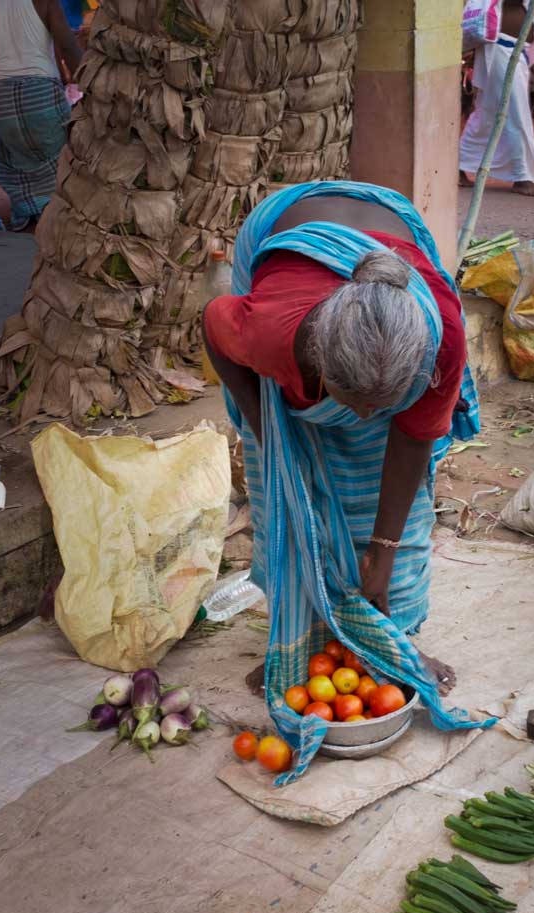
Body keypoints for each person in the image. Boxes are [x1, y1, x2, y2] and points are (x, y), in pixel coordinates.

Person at [203, 182, 480, 699]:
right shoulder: (269, 333)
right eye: (353, 402)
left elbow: (412, 441)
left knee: (376, 487)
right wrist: (270, 436)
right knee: (284, 493)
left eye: (383, 406)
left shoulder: (439, 336)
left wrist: (383, 552)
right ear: (317, 364)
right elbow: (213, 324)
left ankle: (389, 640)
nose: (367, 417)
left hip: (389, 261)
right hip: (282, 234)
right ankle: (299, 640)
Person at [0, 0, 81, 231]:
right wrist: (89, 93)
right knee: (58, 160)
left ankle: (27, 220)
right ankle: (56, 217)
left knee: (13, 165)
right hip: (42, 95)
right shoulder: (45, 2)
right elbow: (69, 49)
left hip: (0, 103)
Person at [460, 0, 534, 197]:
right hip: (502, 51)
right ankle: (521, 176)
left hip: (505, 51)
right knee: (515, 114)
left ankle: (460, 164)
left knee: (487, 115)